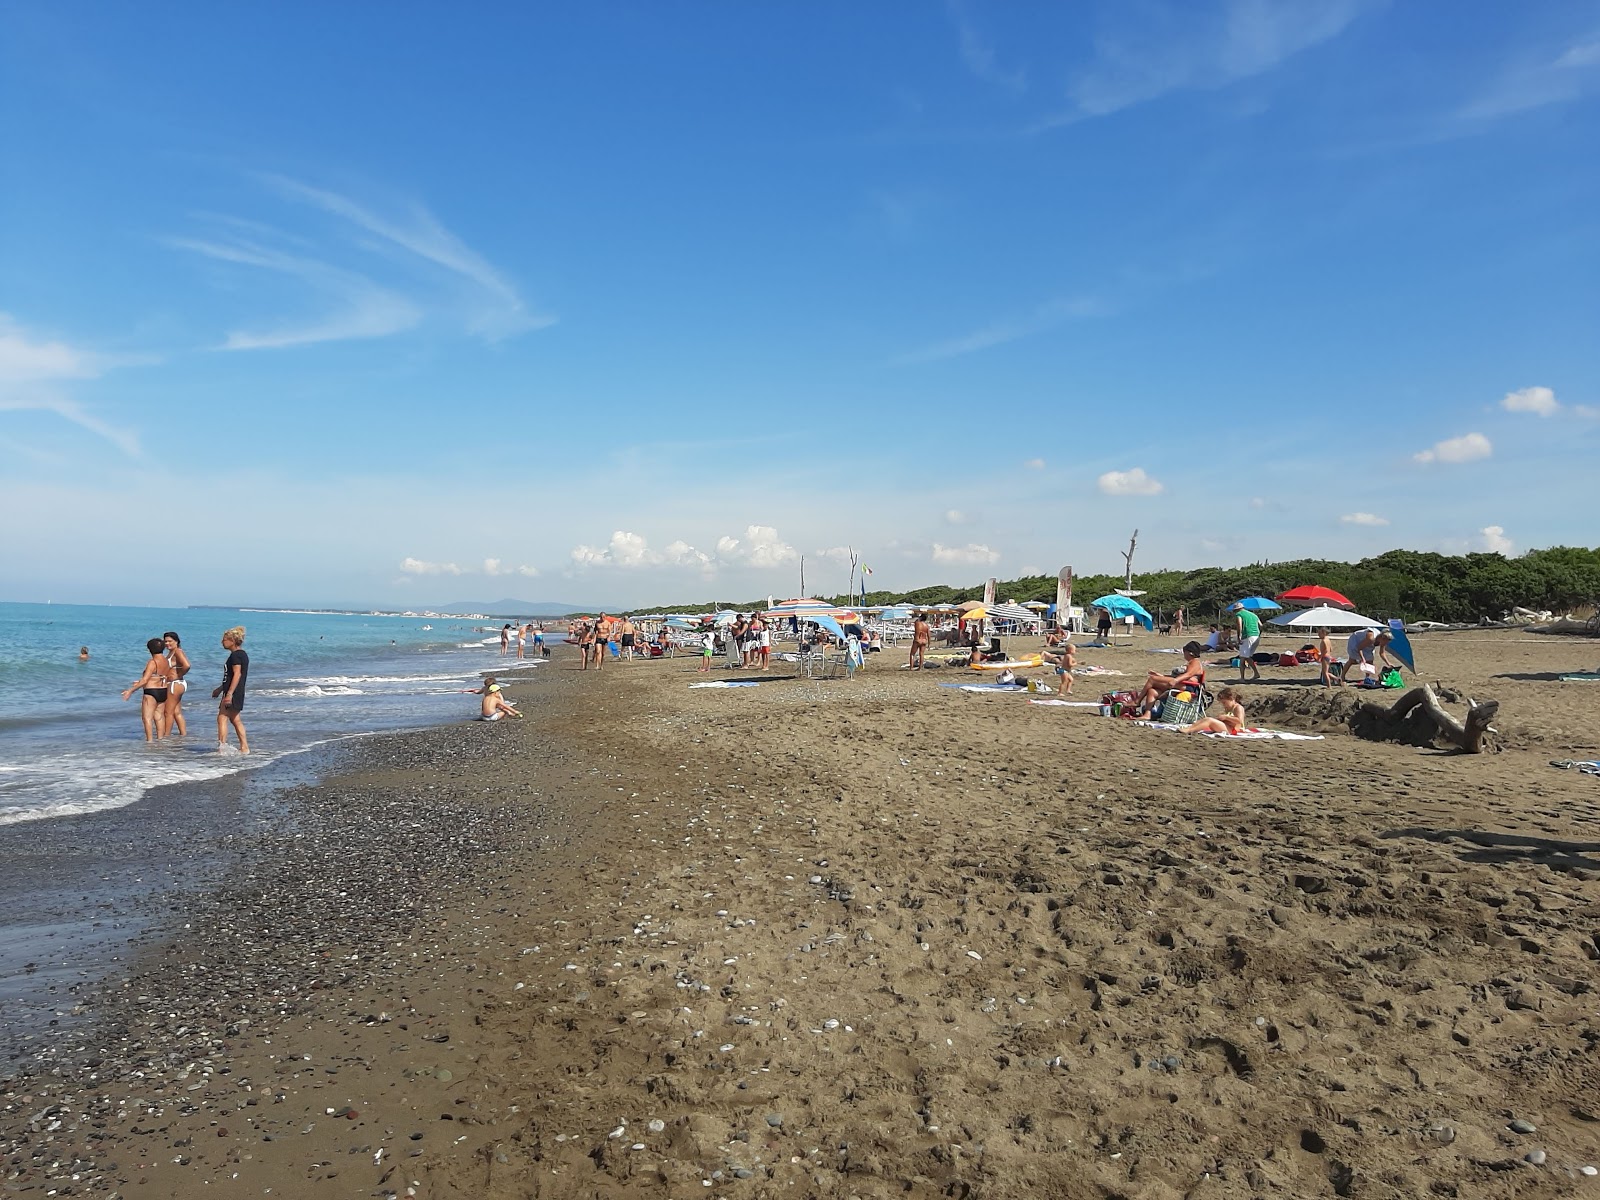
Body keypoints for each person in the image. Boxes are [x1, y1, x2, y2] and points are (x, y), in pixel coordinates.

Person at [1134, 641, 1207, 718]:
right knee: (1152, 691)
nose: (1184, 654)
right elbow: (1179, 676)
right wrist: (1161, 676)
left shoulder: (1195, 662)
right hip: (1182, 684)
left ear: (1190, 653)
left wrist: (1176, 680)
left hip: (1189, 687)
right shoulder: (1191, 662)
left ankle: (1137, 701)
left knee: (1152, 679)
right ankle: (1147, 714)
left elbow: (1189, 674)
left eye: (1184, 652)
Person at [121, 637, 172, 742]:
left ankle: (150, 741)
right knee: (159, 717)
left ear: (149, 649)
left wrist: (130, 691)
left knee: (147, 718)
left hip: (151, 692)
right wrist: (140, 682)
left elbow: (145, 680)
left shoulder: (152, 662)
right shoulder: (166, 661)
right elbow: (159, 676)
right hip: (163, 690)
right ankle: (160, 740)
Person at [212, 626, 249, 754]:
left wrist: (229, 694)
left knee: (222, 718)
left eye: (224, 640)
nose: (222, 642)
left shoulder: (236, 656)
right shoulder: (241, 654)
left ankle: (221, 747)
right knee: (235, 719)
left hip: (233, 692)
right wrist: (220, 689)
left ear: (232, 641)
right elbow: (231, 677)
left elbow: (237, 674)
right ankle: (244, 747)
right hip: (236, 691)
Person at [1182, 687, 1246, 735]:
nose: (1224, 705)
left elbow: (1239, 721)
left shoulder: (1238, 707)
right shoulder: (1229, 708)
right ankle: (1190, 727)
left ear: (1232, 699)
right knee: (1206, 719)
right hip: (1230, 727)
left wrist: (1226, 717)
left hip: (1235, 730)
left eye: (1224, 703)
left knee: (1209, 720)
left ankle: (1190, 730)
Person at [162, 631, 192, 736]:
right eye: (165, 641)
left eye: (170, 641)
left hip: (175, 684)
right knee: (176, 712)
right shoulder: (171, 652)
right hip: (178, 684)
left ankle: (166, 736)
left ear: (176, 641)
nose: (167, 643)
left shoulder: (177, 651)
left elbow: (187, 665)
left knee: (168, 712)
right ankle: (183, 735)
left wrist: (178, 675)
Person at [1234, 605, 1263, 681]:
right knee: (1248, 656)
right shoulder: (1253, 615)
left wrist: (1238, 636)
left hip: (1247, 636)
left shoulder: (1239, 614)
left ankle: (1242, 678)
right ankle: (1256, 673)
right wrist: (1259, 634)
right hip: (1256, 636)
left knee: (1242, 658)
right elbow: (1261, 625)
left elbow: (1239, 625)